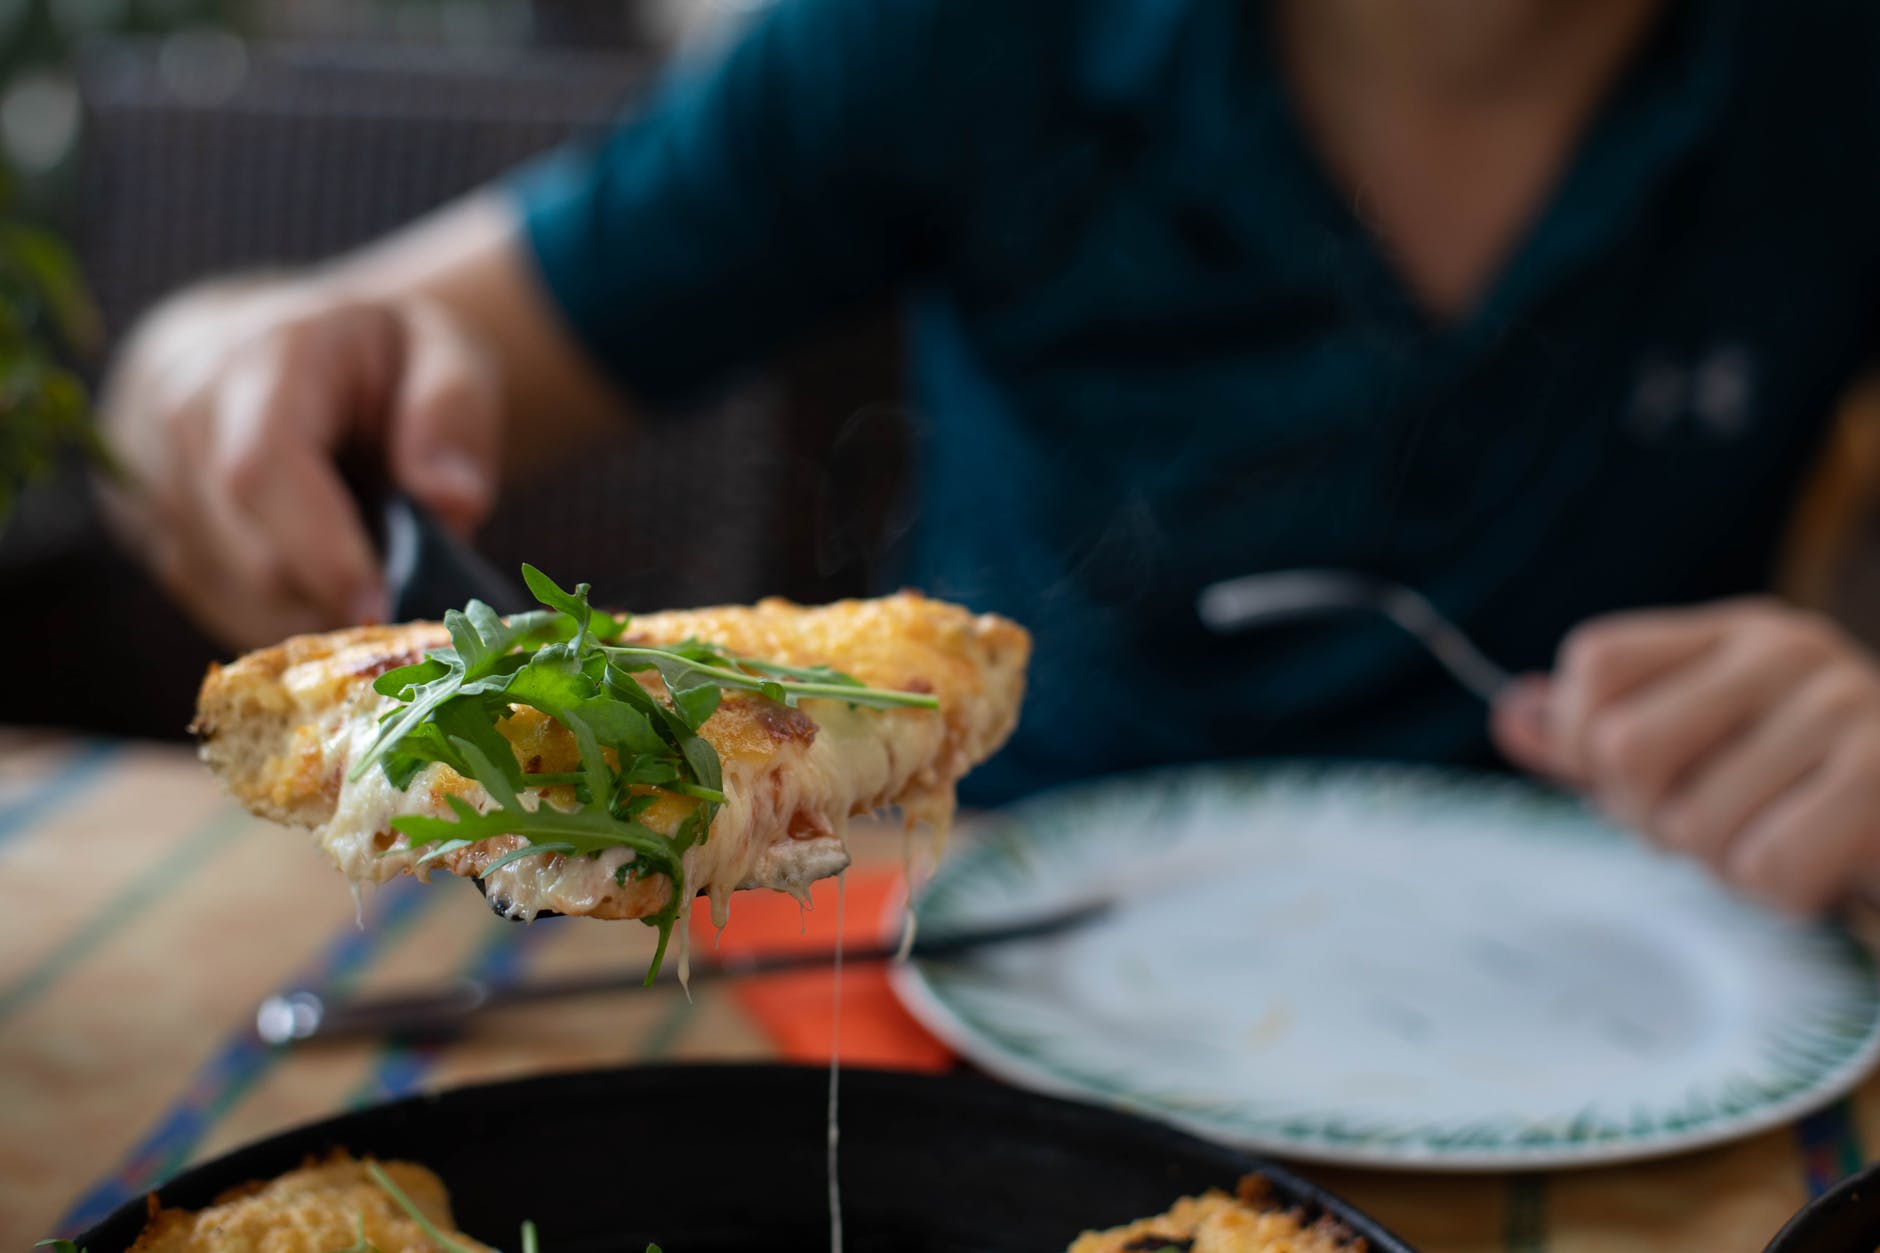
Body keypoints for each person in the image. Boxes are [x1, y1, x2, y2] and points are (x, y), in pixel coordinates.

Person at [98, 0, 1880, 912]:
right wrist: (210, 373)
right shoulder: (965, 32)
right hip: (981, 973)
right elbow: (364, 342)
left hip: (1642, 995)